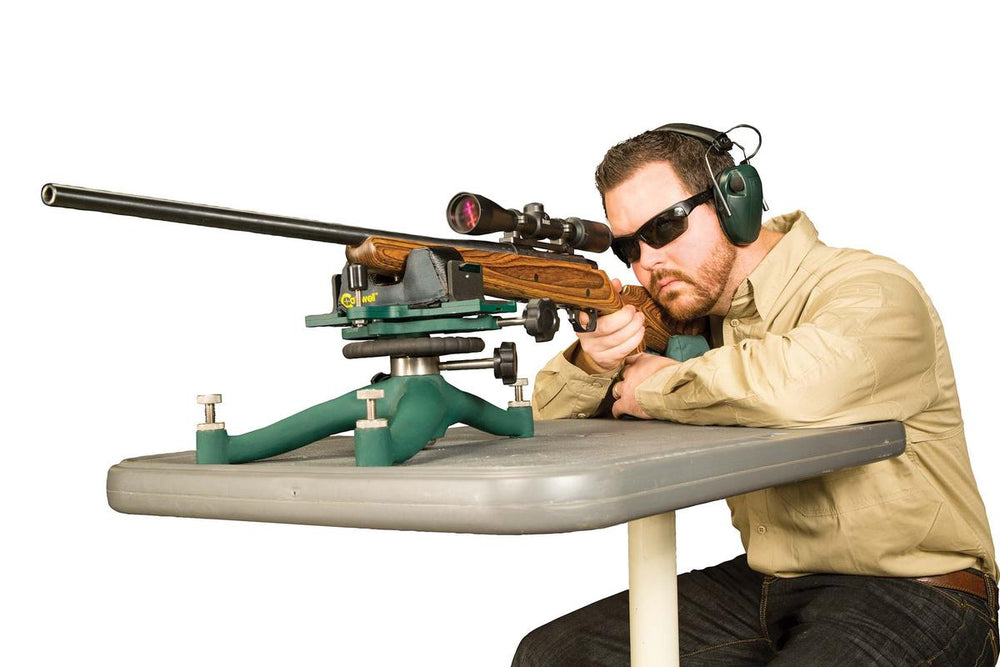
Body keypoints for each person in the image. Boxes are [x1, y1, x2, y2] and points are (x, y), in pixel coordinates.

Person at [512, 124, 999, 665]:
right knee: (553, 655)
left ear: (733, 202)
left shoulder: (871, 288)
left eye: (664, 226)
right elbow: (540, 429)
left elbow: (796, 385)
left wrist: (656, 387)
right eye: (629, 246)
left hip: (919, 589)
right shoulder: (688, 318)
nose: (646, 261)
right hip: (769, 583)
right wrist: (593, 362)